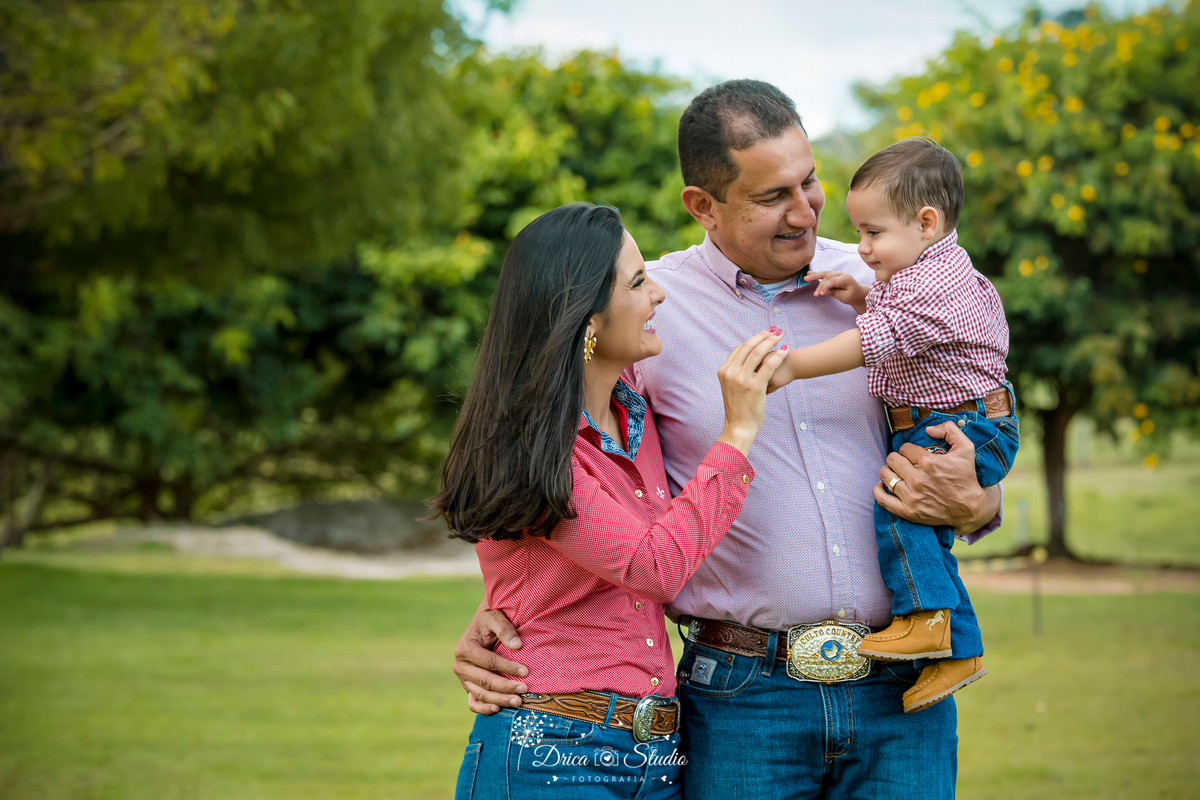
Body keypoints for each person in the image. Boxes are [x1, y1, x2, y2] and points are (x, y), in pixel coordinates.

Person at [453, 81, 1004, 799]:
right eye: (774, 196)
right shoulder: (649, 312)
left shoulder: (888, 278)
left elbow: (976, 403)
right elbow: (563, 446)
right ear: (702, 205)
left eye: (810, 181)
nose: (805, 210)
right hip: (743, 699)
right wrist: (509, 609)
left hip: (904, 690)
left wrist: (980, 501)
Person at [432, 202, 788, 799]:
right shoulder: (535, 449)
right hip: (551, 746)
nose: (659, 296)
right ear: (589, 318)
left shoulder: (632, 413)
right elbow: (653, 568)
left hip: (656, 753)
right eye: (639, 282)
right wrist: (737, 434)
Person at [767, 137, 1019, 712]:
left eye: (873, 233)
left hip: (960, 425)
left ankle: (927, 622)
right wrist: (862, 296)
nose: (862, 248)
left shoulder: (935, 283)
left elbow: (879, 340)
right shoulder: (920, 272)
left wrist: (794, 365)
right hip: (951, 420)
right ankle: (957, 650)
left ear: (926, 223)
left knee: (902, 511)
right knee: (915, 521)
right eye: (859, 232)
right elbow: (906, 333)